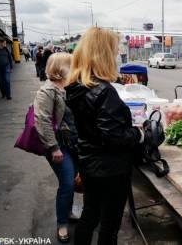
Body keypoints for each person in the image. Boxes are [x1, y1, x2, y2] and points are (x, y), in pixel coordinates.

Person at [65, 27, 144, 245]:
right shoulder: (104, 91)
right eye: (115, 50)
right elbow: (115, 138)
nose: (118, 53)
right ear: (104, 54)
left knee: (90, 215)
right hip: (110, 169)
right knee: (109, 226)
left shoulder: (77, 85)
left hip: (89, 163)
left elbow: (95, 128)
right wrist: (139, 133)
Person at [33, 53, 78, 243]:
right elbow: (41, 121)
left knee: (72, 180)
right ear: (61, 68)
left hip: (73, 143)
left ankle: (68, 212)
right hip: (58, 146)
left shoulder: (69, 87)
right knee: (67, 183)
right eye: (72, 64)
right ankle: (62, 224)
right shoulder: (47, 91)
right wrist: (53, 148)